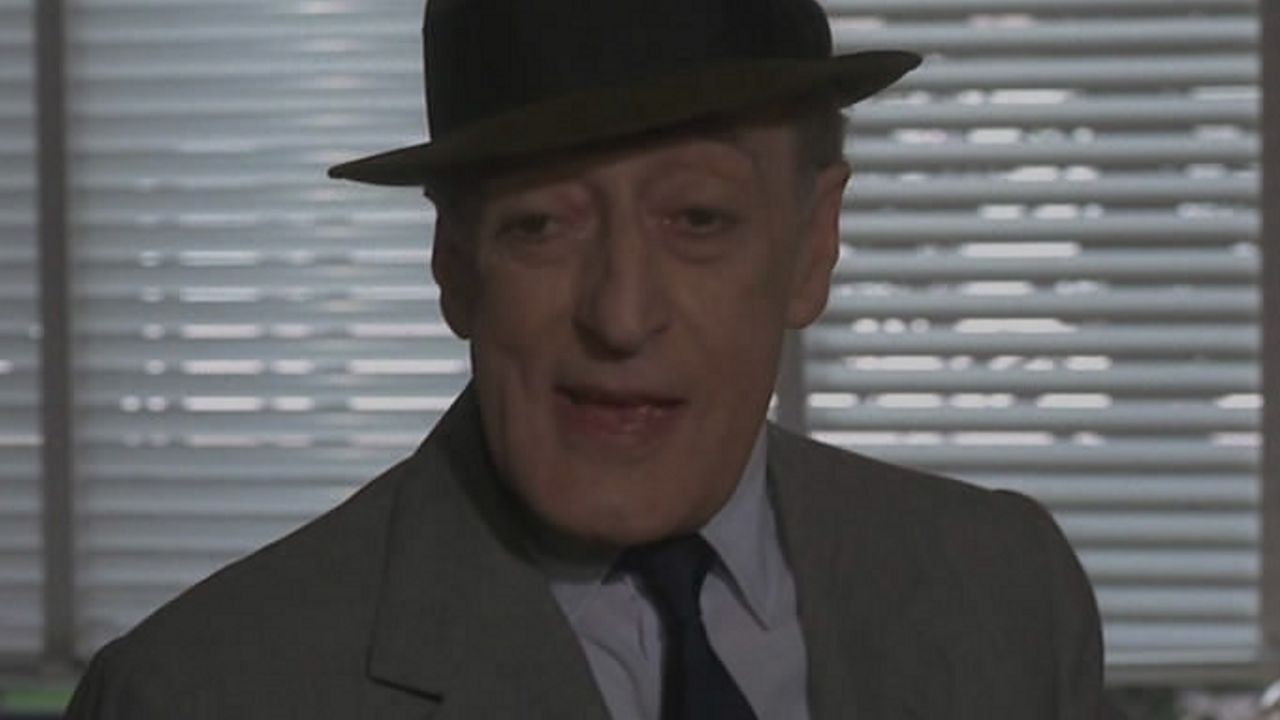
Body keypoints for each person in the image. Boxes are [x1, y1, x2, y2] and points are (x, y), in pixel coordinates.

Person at [65, 0, 1111, 718]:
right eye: (540, 225)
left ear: (812, 247)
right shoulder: (200, 694)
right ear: (455, 266)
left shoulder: (1007, 593)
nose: (619, 314)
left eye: (697, 218)